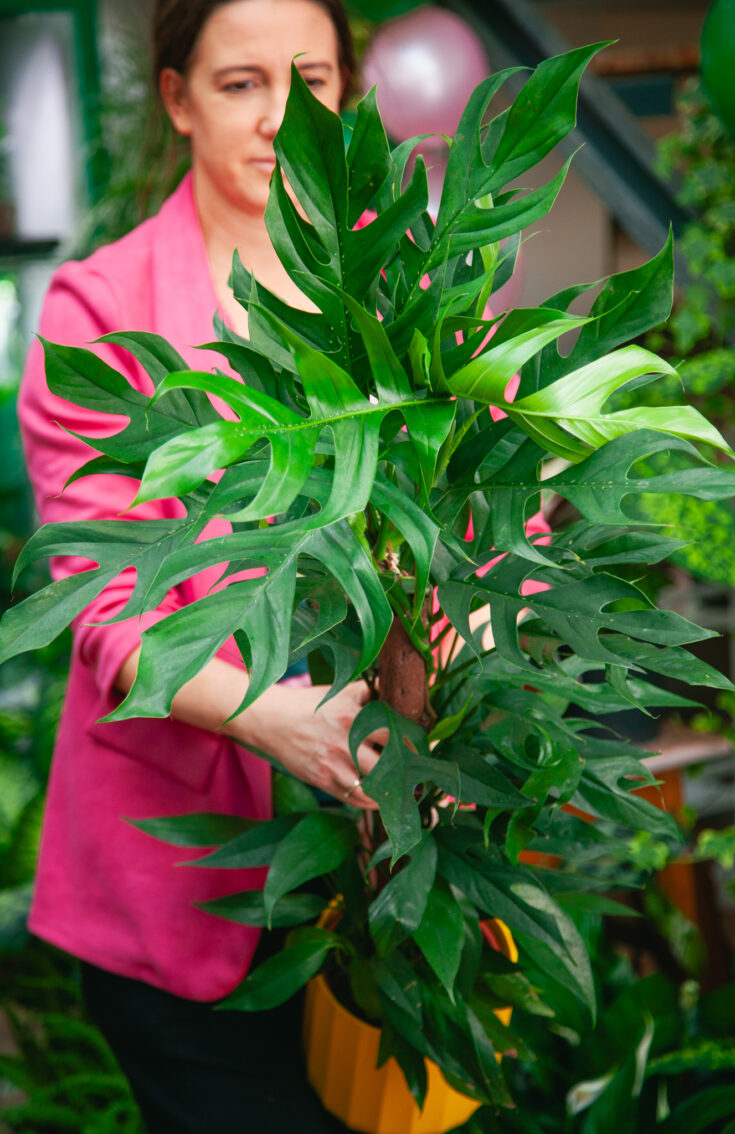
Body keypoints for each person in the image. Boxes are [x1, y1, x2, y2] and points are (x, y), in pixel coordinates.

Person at [17, 2, 387, 1131]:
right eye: (239, 84)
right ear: (176, 99)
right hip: (188, 892)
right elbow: (106, 606)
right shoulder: (102, 312)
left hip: (384, 867)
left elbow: (496, 516)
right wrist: (274, 719)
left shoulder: (392, 279)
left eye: (311, 79)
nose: (282, 118)